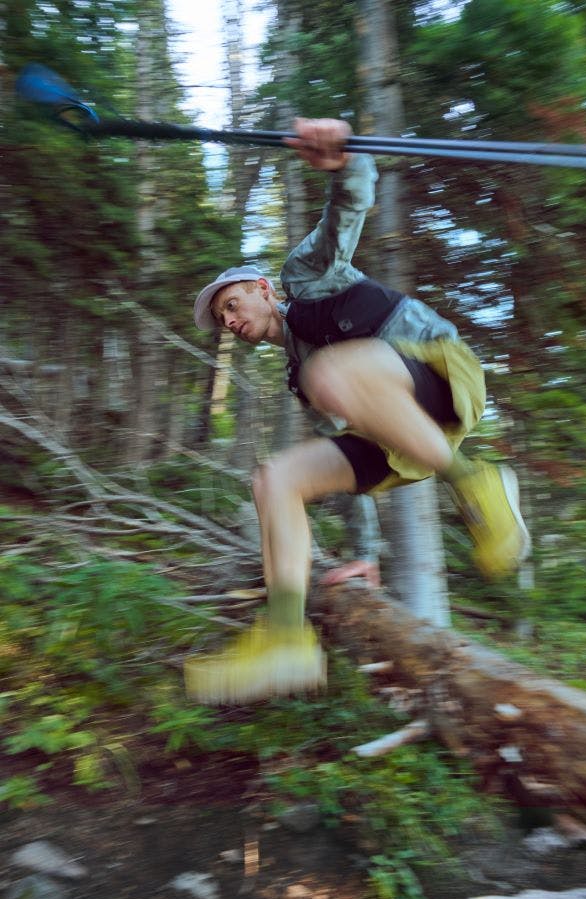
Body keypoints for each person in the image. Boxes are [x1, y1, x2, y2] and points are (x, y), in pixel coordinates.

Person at [185, 118, 530, 705]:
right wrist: (365, 554)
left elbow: (349, 207)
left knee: (331, 374)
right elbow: (352, 455)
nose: (231, 320)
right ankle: (286, 638)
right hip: (402, 436)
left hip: (439, 371)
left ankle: (478, 485)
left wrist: (343, 162)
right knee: (278, 479)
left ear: (264, 288)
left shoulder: (305, 276)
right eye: (223, 320)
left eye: (233, 303)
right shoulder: (301, 373)